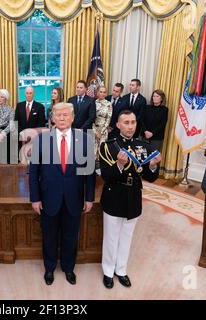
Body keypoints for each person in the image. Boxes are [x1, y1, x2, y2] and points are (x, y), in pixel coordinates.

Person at [29, 102, 95, 286]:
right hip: (49, 198)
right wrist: (35, 198)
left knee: (70, 236)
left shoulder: (85, 139)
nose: (62, 118)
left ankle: (68, 268)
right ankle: (49, 268)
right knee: (49, 236)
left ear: (73, 117)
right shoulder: (41, 140)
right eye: (58, 115)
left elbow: (89, 172)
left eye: (66, 115)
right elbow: (34, 172)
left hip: (74, 198)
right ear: (53, 118)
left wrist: (89, 197)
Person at [99, 110, 161, 289]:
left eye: (133, 122)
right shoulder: (109, 146)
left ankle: (121, 270)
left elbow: (150, 177)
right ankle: (108, 271)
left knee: (127, 236)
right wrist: (119, 164)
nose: (130, 126)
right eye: (126, 122)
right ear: (118, 125)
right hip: (114, 195)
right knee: (111, 237)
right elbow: (106, 176)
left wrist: (154, 165)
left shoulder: (144, 146)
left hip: (133, 195)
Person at [93, 86, 112, 168]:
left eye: (104, 92)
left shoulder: (108, 104)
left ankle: (100, 171)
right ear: (97, 93)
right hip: (93, 129)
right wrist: (95, 132)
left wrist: (101, 132)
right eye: (101, 92)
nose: (102, 93)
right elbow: (91, 118)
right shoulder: (93, 103)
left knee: (101, 151)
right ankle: (92, 171)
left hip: (103, 131)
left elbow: (108, 119)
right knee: (93, 151)